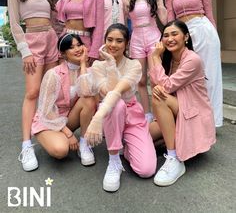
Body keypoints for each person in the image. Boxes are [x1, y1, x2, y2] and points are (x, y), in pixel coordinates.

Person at [83, 23, 157, 192]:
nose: (113, 45)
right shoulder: (97, 66)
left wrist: (96, 118)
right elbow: (109, 93)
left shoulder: (134, 65)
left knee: (146, 170)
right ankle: (114, 160)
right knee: (116, 104)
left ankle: (125, 145)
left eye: (119, 41)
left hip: (132, 116)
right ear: (104, 41)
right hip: (111, 113)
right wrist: (109, 64)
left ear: (127, 44)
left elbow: (117, 90)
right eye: (109, 40)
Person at [149, 20, 216, 187]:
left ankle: (174, 158)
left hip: (193, 112)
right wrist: (158, 59)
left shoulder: (192, 60)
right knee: (142, 140)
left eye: (174, 34)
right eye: (165, 36)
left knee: (159, 96)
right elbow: (155, 83)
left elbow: (167, 86)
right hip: (176, 109)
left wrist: (155, 57)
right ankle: (172, 139)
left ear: (186, 37)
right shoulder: (169, 59)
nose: (169, 39)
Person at [8, 0, 59, 171]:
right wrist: (25, 51)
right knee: (32, 92)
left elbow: (55, 23)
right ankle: (26, 144)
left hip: (51, 41)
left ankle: (48, 128)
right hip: (32, 42)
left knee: (50, 90)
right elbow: (14, 24)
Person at [165, 0, 223, 127]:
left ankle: (212, 121)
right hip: (183, 34)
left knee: (209, 76)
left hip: (204, 31)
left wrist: (216, 42)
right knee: (185, 74)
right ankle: (189, 117)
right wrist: (169, 38)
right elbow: (170, 20)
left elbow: (210, 16)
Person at [31, 33, 97, 166]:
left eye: (79, 45)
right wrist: (68, 134)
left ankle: (84, 144)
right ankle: (47, 138)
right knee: (61, 150)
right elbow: (46, 110)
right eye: (71, 47)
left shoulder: (88, 72)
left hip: (68, 118)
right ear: (63, 53)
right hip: (48, 121)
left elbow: (86, 93)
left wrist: (83, 64)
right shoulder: (53, 74)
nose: (77, 49)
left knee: (88, 98)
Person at [122, 0, 167, 122]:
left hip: (153, 36)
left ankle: (159, 112)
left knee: (156, 78)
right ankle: (147, 114)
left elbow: (164, 18)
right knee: (140, 80)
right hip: (136, 39)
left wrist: (163, 1)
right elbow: (123, 20)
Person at [56, 0, 104, 64]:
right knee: (66, 78)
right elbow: (56, 23)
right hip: (66, 42)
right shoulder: (63, 0)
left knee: (84, 77)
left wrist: (94, 52)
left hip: (84, 43)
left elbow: (99, 27)